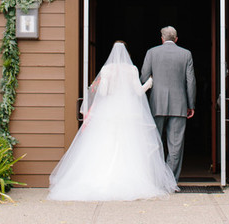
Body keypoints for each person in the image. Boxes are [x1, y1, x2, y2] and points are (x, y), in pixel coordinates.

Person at [47, 41, 176, 202]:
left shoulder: (107, 70)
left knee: (105, 143)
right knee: (130, 145)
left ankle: (101, 177)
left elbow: (103, 91)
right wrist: (149, 82)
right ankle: (130, 178)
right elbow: (138, 91)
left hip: (109, 111)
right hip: (128, 111)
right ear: (127, 53)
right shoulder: (132, 69)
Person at [140, 26, 196, 183]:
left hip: (156, 103)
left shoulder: (152, 52)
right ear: (176, 39)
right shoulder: (186, 54)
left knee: (154, 142)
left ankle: (155, 179)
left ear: (162, 38)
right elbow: (190, 81)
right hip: (179, 105)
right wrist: (191, 104)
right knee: (175, 145)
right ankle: (170, 181)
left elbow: (144, 77)